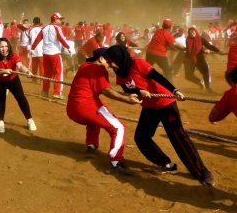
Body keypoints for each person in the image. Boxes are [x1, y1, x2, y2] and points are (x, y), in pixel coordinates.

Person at [105, 44, 214, 186]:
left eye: (110, 61)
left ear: (118, 58)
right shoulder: (120, 72)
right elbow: (126, 87)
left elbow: (158, 77)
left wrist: (175, 91)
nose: (109, 65)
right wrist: (139, 91)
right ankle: (167, 163)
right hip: (149, 106)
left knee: (178, 137)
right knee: (141, 137)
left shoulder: (138, 63)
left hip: (165, 103)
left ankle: (202, 172)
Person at [67, 48, 141, 175]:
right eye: (109, 61)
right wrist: (126, 99)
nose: (111, 65)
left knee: (95, 120)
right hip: (85, 106)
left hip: (72, 108)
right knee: (119, 127)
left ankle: (91, 146)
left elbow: (104, 89)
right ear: (101, 59)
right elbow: (106, 90)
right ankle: (116, 162)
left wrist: (127, 94)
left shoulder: (85, 65)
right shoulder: (98, 68)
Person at [0, 37, 37, 133]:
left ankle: (30, 120)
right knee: (0, 98)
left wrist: (27, 71)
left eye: (6, 46)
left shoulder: (14, 55)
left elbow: (20, 66)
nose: (4, 49)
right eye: (1, 47)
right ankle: (1, 122)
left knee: (21, 98)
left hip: (12, 79)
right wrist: (3, 71)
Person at [31, 12, 70, 99]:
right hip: (55, 53)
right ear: (55, 19)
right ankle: (57, 92)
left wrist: (33, 48)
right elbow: (61, 39)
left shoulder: (44, 28)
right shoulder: (57, 28)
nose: (61, 21)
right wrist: (68, 47)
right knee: (58, 73)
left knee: (47, 73)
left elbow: (38, 39)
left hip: (45, 54)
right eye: (60, 19)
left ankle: (45, 91)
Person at [185, 27, 222, 92]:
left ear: (196, 32)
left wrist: (218, 50)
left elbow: (209, 46)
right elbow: (189, 50)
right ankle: (200, 82)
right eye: (190, 32)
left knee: (205, 72)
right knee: (188, 76)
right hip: (190, 59)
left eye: (193, 32)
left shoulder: (200, 38)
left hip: (200, 58)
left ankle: (208, 88)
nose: (192, 33)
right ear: (188, 33)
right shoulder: (187, 40)